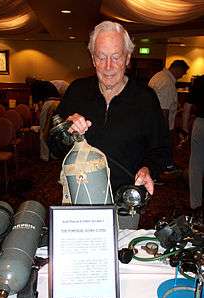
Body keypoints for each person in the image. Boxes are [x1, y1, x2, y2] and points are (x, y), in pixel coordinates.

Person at [49, 21, 168, 227]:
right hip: (78, 198)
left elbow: (161, 149)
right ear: (93, 59)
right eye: (101, 57)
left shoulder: (145, 98)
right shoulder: (77, 91)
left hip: (124, 203)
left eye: (116, 57)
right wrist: (66, 131)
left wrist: (149, 169)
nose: (108, 66)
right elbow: (54, 146)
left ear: (128, 58)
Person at [148, 60, 189, 173]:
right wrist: (166, 132)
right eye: (184, 72)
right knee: (161, 149)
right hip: (161, 125)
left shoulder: (159, 76)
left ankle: (161, 169)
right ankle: (163, 170)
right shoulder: (167, 82)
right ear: (177, 69)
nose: (183, 75)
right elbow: (164, 110)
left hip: (151, 123)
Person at [187, 75, 204, 220]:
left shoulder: (200, 81)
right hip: (200, 122)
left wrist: (186, 126)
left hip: (201, 123)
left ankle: (195, 204)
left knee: (196, 164)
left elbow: (188, 104)